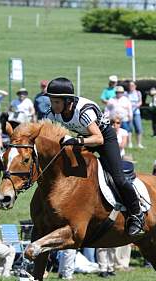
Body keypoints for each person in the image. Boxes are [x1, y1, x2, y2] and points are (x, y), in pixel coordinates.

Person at [45, 77, 145, 237]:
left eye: (57, 102)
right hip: (82, 138)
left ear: (68, 101)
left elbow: (98, 139)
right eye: (52, 101)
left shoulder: (83, 111)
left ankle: (136, 214)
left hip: (104, 138)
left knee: (118, 179)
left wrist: (76, 141)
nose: (53, 105)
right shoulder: (52, 113)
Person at [126, 81, 144, 149]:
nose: (131, 87)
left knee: (139, 128)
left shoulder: (138, 93)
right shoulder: (126, 94)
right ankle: (129, 143)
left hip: (136, 112)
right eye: (130, 86)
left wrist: (137, 105)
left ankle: (139, 143)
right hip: (129, 113)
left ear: (135, 86)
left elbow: (140, 102)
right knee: (129, 128)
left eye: (132, 85)